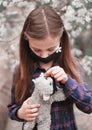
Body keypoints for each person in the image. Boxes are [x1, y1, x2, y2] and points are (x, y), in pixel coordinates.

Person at [8, 5, 92, 130]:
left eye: (50, 49)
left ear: (61, 38)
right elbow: (12, 108)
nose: (45, 54)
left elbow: (88, 105)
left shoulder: (72, 65)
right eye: (37, 49)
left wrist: (67, 81)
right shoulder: (21, 70)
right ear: (26, 39)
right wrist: (20, 112)